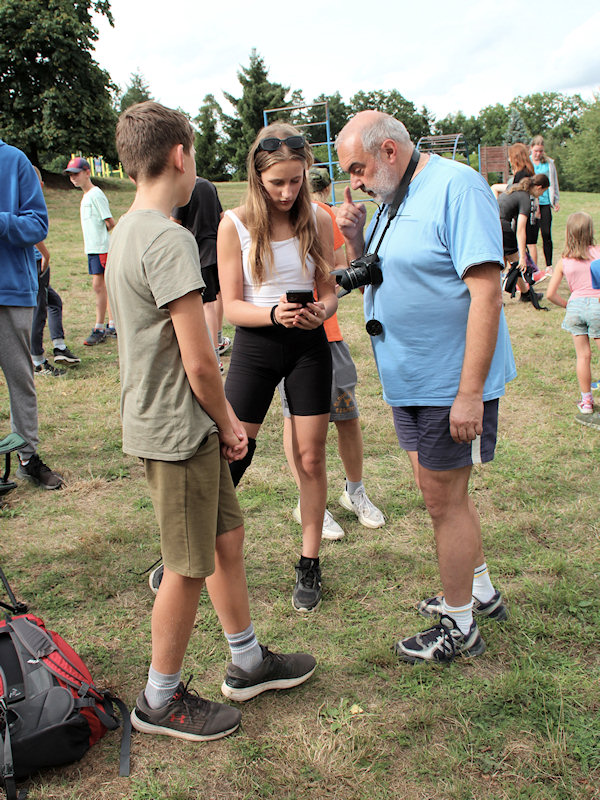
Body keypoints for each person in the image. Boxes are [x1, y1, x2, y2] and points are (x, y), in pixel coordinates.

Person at [107, 101, 315, 743]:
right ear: (180, 155)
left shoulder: (127, 229)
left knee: (226, 539)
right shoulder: (168, 238)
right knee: (187, 565)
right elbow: (200, 361)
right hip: (178, 427)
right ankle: (158, 699)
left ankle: (247, 661)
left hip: (168, 421)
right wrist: (230, 423)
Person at [335, 110, 516, 663]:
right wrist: (355, 238)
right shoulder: (393, 196)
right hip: (409, 378)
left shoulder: (458, 188)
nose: (356, 182)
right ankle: (478, 591)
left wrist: (469, 393)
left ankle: (460, 626)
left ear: (389, 150)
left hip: (447, 382)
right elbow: (382, 271)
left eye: (359, 168)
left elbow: (487, 294)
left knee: (444, 501)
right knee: (439, 491)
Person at [217, 122, 338, 613]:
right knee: (233, 453)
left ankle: (309, 562)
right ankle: (192, 548)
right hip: (256, 345)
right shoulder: (234, 224)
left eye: (296, 180)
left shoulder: (319, 220)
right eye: (277, 183)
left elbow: (329, 293)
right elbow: (231, 306)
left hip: (309, 346)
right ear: (257, 177)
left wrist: (321, 312)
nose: (287, 192)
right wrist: (272, 314)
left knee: (311, 459)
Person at [279, 165, 385, 538]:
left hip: (329, 335)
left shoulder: (323, 216)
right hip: (289, 338)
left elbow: (341, 269)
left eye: (295, 179)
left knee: (347, 416)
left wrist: (325, 294)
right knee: (297, 422)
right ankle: (309, 502)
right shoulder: (269, 220)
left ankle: (354, 492)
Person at [0, 137, 63, 489]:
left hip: (10, 291)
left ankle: (26, 457)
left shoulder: (14, 161)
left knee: (20, 379)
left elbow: (38, 225)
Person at [171, 176, 230, 373]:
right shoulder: (209, 185)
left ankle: (215, 358)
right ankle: (218, 339)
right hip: (217, 249)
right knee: (218, 296)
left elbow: (174, 223)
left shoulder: (183, 188)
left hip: (199, 253)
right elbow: (222, 216)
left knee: (207, 304)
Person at [546, 212, 600, 418]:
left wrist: (567, 305)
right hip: (597, 305)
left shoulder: (564, 260)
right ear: (590, 231)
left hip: (575, 308)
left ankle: (586, 402)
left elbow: (550, 294)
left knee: (583, 356)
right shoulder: (598, 253)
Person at [30, 166, 80, 375]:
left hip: (33, 261)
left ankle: (59, 347)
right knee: (39, 310)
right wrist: (45, 253)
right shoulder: (28, 200)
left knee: (53, 301)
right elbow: (30, 228)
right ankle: (38, 362)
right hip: (35, 261)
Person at [63, 156, 116, 345]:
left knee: (99, 286)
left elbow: (109, 222)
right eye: (70, 175)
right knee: (102, 287)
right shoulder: (87, 196)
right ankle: (112, 324)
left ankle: (100, 327)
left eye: (76, 174)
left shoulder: (96, 194)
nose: (73, 178)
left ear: (87, 172)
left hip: (101, 249)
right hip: (93, 249)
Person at [497, 174, 550, 305]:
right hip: (503, 228)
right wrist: (523, 257)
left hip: (492, 224)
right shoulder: (525, 198)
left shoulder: (514, 187)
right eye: (543, 191)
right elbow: (521, 230)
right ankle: (498, 298)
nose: (542, 195)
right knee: (514, 262)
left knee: (505, 263)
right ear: (538, 187)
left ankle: (525, 293)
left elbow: (495, 187)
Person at [530, 135, 560, 271]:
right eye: (536, 151)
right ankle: (532, 266)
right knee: (532, 236)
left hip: (545, 202)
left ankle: (549, 265)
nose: (538, 154)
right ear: (531, 148)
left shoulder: (548, 163)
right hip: (532, 203)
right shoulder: (528, 162)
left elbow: (554, 182)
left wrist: (556, 200)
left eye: (541, 151)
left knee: (546, 233)